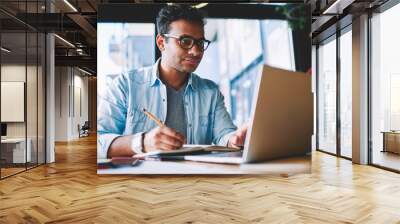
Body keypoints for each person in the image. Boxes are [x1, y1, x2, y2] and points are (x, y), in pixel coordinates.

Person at [98, 4, 247, 158]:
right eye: (185, 41)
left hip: (196, 179)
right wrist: (141, 143)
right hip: (141, 180)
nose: (195, 51)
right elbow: (98, 142)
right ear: (162, 43)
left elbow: (224, 135)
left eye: (200, 43)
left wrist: (235, 140)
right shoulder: (126, 85)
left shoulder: (210, 92)